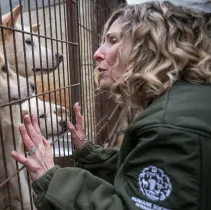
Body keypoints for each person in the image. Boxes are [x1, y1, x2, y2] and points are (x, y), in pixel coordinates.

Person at [11, 1, 211, 210]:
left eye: (112, 40)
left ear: (149, 46)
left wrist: (50, 177)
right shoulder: (185, 102)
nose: (97, 52)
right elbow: (138, 173)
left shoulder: (169, 126)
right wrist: (90, 155)